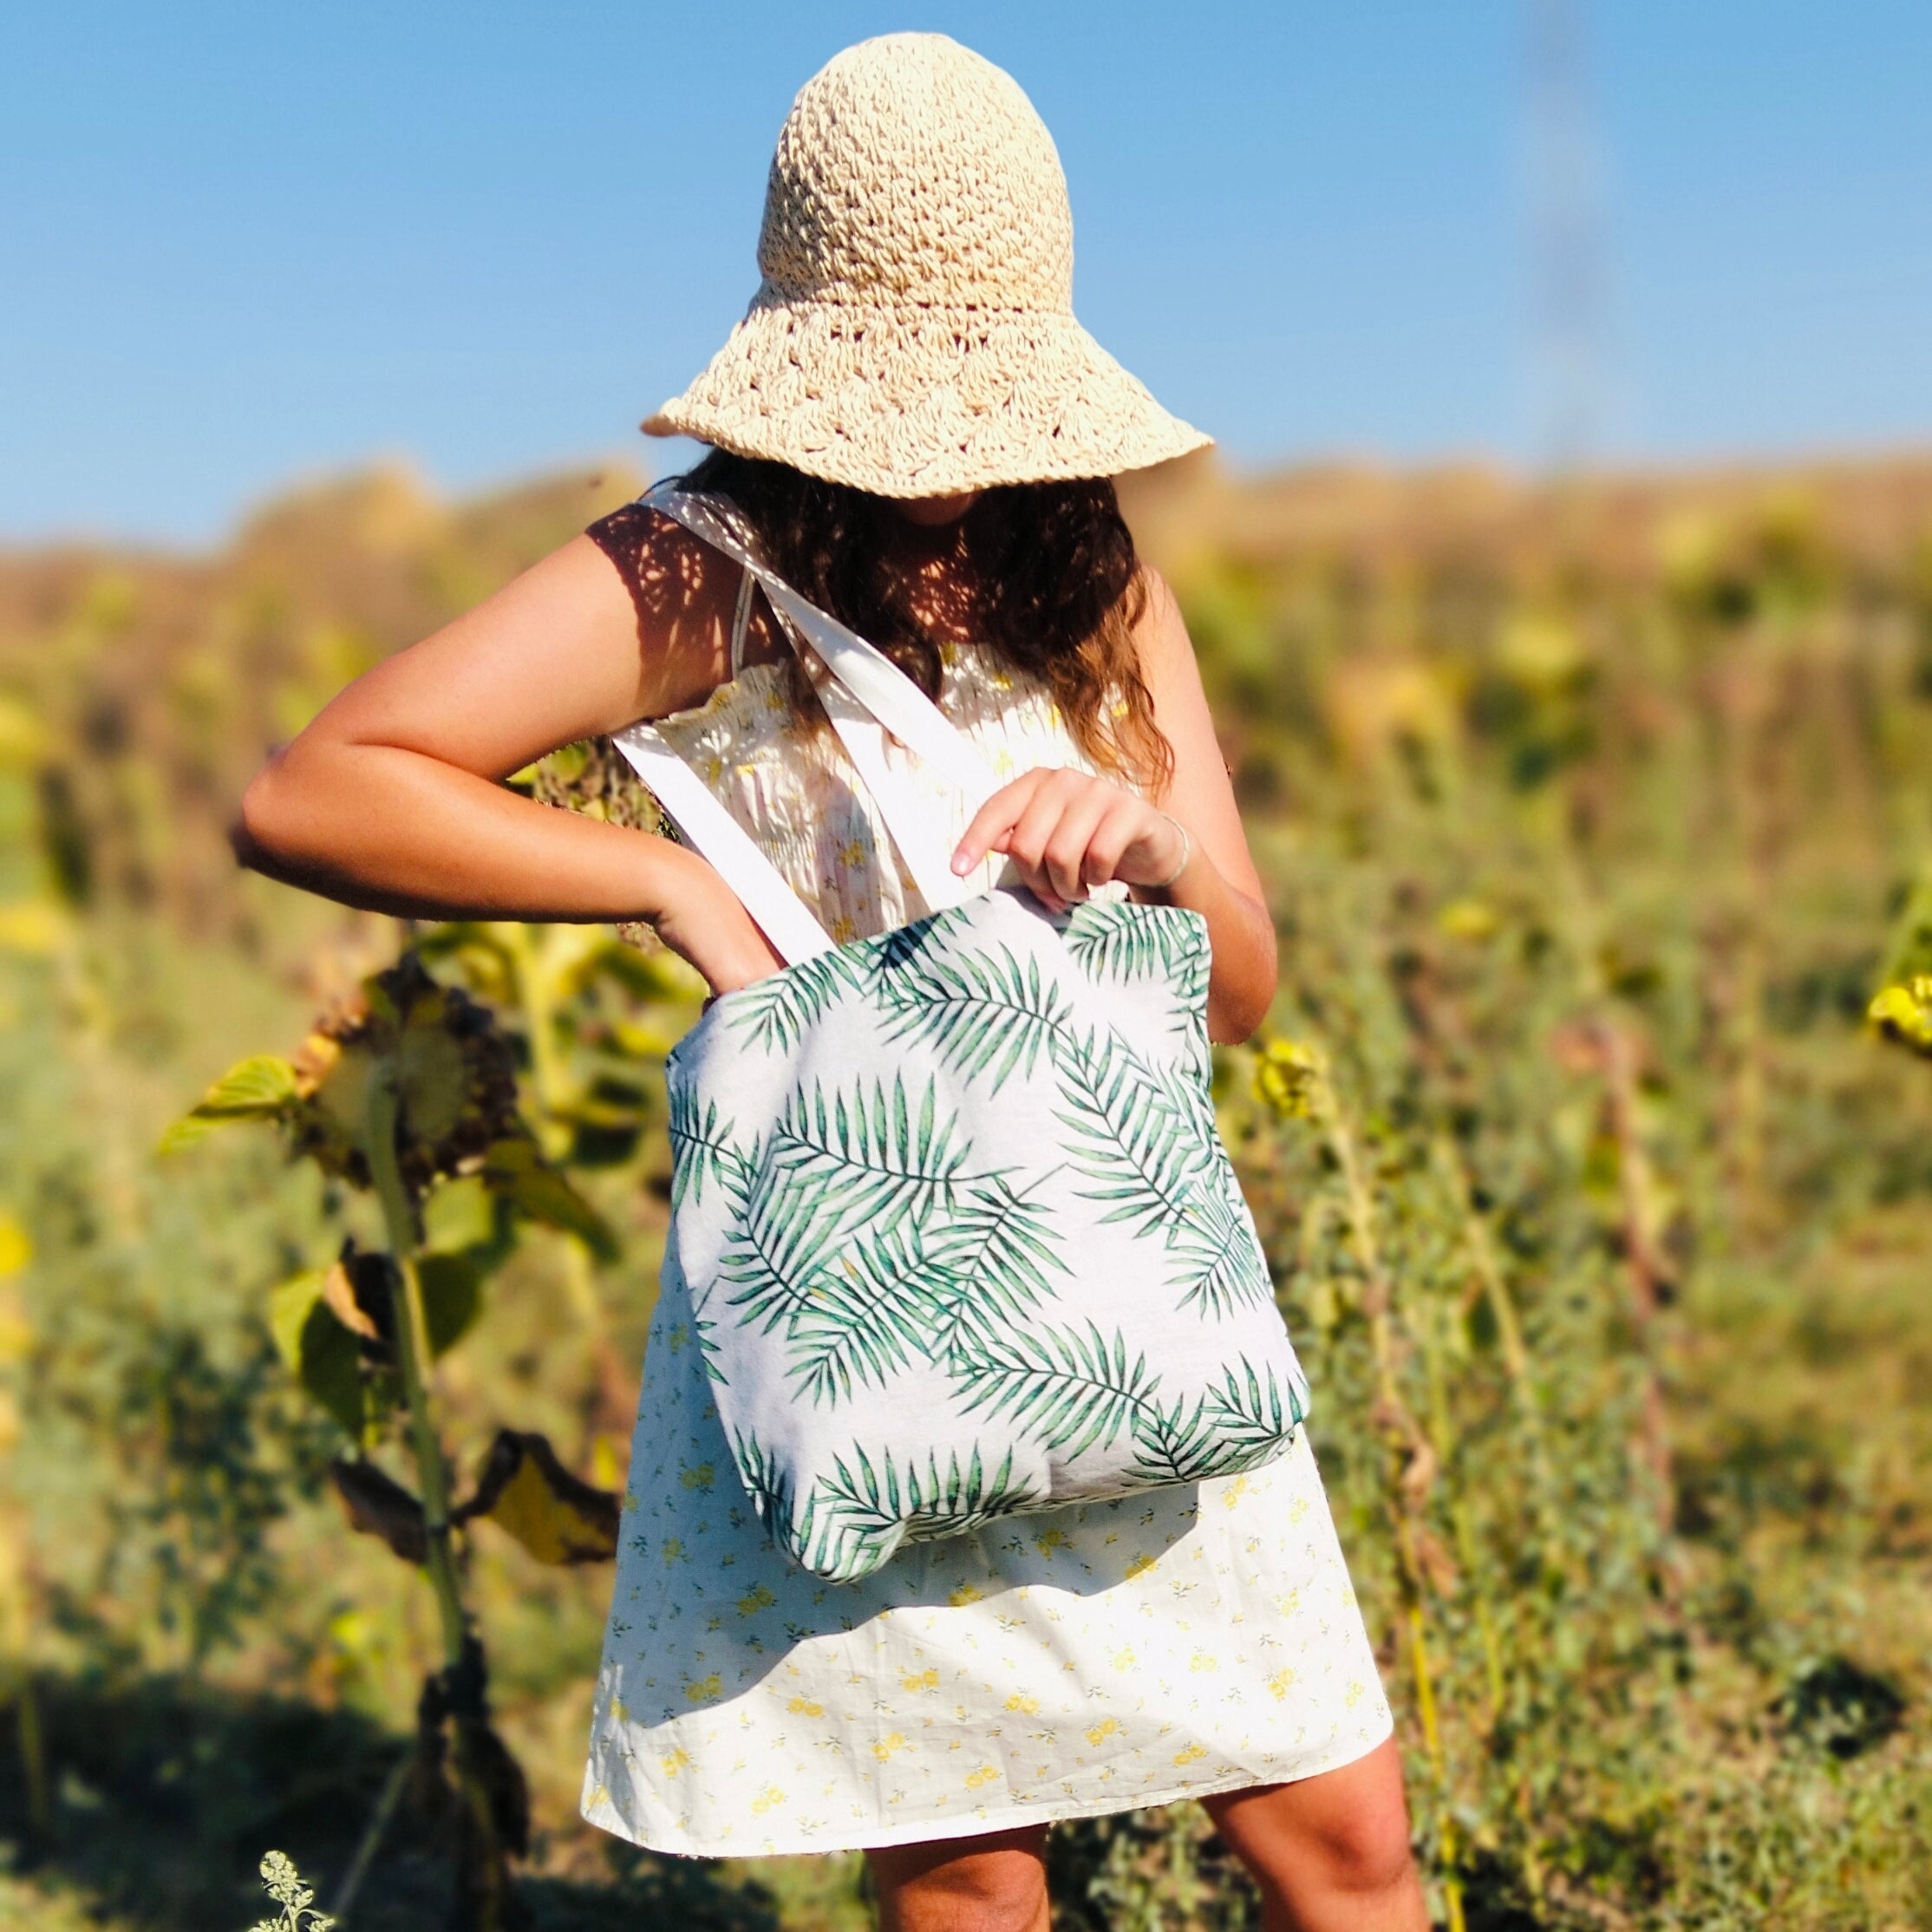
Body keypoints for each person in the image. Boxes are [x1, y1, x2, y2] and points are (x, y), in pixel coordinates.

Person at [236, 32, 1425, 1932]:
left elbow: (1244, 993)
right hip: (871, 1299)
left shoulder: (1093, 574)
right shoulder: (692, 571)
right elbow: (314, 787)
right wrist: (664, 886)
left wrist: (1165, 851)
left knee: (1343, 1845)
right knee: (968, 1887)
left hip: (1120, 1272)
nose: (946, 464)